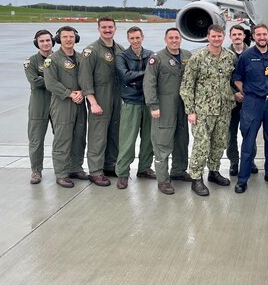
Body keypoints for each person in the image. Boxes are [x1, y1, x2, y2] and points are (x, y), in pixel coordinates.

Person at [180, 25, 237, 196]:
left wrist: (234, 96)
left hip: (224, 109)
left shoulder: (230, 57)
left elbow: (233, 80)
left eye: (219, 36)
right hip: (203, 110)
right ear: (208, 37)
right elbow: (187, 86)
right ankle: (196, 178)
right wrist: (190, 110)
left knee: (219, 142)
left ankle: (214, 171)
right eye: (213, 36)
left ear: (223, 37)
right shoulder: (197, 58)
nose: (216, 39)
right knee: (201, 144)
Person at [233, 24, 268, 194]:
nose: (262, 37)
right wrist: (245, 93)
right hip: (253, 103)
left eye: (264, 34)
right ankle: (242, 179)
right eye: (258, 35)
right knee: (248, 142)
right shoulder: (246, 56)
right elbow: (237, 78)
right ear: (253, 37)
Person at [143, 27, 192, 195]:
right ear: (166, 40)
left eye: (176, 37)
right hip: (164, 106)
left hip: (182, 106)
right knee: (162, 143)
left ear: (181, 39)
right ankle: (163, 180)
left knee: (181, 139)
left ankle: (178, 171)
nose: (174, 40)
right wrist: (153, 105)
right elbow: (149, 83)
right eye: (170, 38)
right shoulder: (156, 59)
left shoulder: (187, 56)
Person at [78, 17, 124, 187]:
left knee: (114, 134)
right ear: (98, 29)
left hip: (116, 99)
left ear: (115, 28)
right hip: (99, 99)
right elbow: (84, 78)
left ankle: (110, 165)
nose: (107, 30)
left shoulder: (120, 49)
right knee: (98, 136)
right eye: (104, 27)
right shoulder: (91, 51)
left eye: (110, 27)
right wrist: (93, 102)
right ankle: (96, 171)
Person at [43, 26, 88, 188]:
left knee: (79, 137)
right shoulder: (52, 59)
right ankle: (61, 173)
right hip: (63, 104)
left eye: (71, 37)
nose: (68, 40)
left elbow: (86, 78)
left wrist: (82, 92)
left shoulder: (81, 57)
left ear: (76, 38)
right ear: (59, 39)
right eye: (65, 37)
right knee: (63, 139)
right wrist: (70, 94)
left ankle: (76, 167)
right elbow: (50, 83)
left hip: (80, 102)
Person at [114, 26, 155, 189]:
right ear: (128, 39)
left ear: (142, 37)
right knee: (127, 140)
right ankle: (123, 173)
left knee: (148, 138)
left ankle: (144, 168)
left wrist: (135, 77)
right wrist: (146, 73)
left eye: (138, 38)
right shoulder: (122, 56)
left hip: (148, 101)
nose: (135, 41)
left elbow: (154, 75)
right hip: (131, 101)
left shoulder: (150, 54)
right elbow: (124, 76)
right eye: (132, 38)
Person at [226, 24, 257, 177]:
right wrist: (234, 94)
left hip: (249, 101)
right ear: (230, 37)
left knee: (249, 132)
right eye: (234, 34)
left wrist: (249, 94)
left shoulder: (252, 53)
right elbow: (221, 79)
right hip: (231, 102)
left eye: (239, 34)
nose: (237, 37)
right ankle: (234, 162)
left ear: (244, 36)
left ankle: (250, 160)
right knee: (231, 134)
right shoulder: (225, 54)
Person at [23, 29, 54, 184]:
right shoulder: (31, 62)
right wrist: (55, 81)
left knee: (64, 138)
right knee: (36, 139)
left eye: (48, 40)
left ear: (52, 41)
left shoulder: (60, 58)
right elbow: (35, 82)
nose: (45, 43)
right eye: (42, 41)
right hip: (39, 104)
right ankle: (36, 170)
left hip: (58, 103)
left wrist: (47, 81)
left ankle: (65, 168)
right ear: (37, 43)